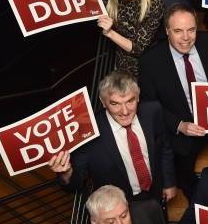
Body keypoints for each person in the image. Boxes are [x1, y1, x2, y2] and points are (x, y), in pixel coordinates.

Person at [138, 2, 208, 199]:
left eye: (191, 30)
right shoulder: (151, 61)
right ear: (167, 31)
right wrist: (180, 125)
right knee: (185, 171)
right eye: (178, 31)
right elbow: (150, 107)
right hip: (183, 127)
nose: (186, 37)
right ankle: (197, 202)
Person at [49, 71, 177, 203]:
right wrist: (66, 172)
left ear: (138, 96)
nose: (125, 111)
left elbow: (164, 148)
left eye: (130, 101)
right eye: (115, 104)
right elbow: (75, 184)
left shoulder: (152, 111)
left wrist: (169, 183)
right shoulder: (88, 132)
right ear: (103, 102)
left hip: (156, 193)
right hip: (118, 204)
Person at [26, 0, 164, 77]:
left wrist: (109, 33)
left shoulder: (154, 3)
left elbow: (138, 48)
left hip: (150, 70)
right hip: (122, 73)